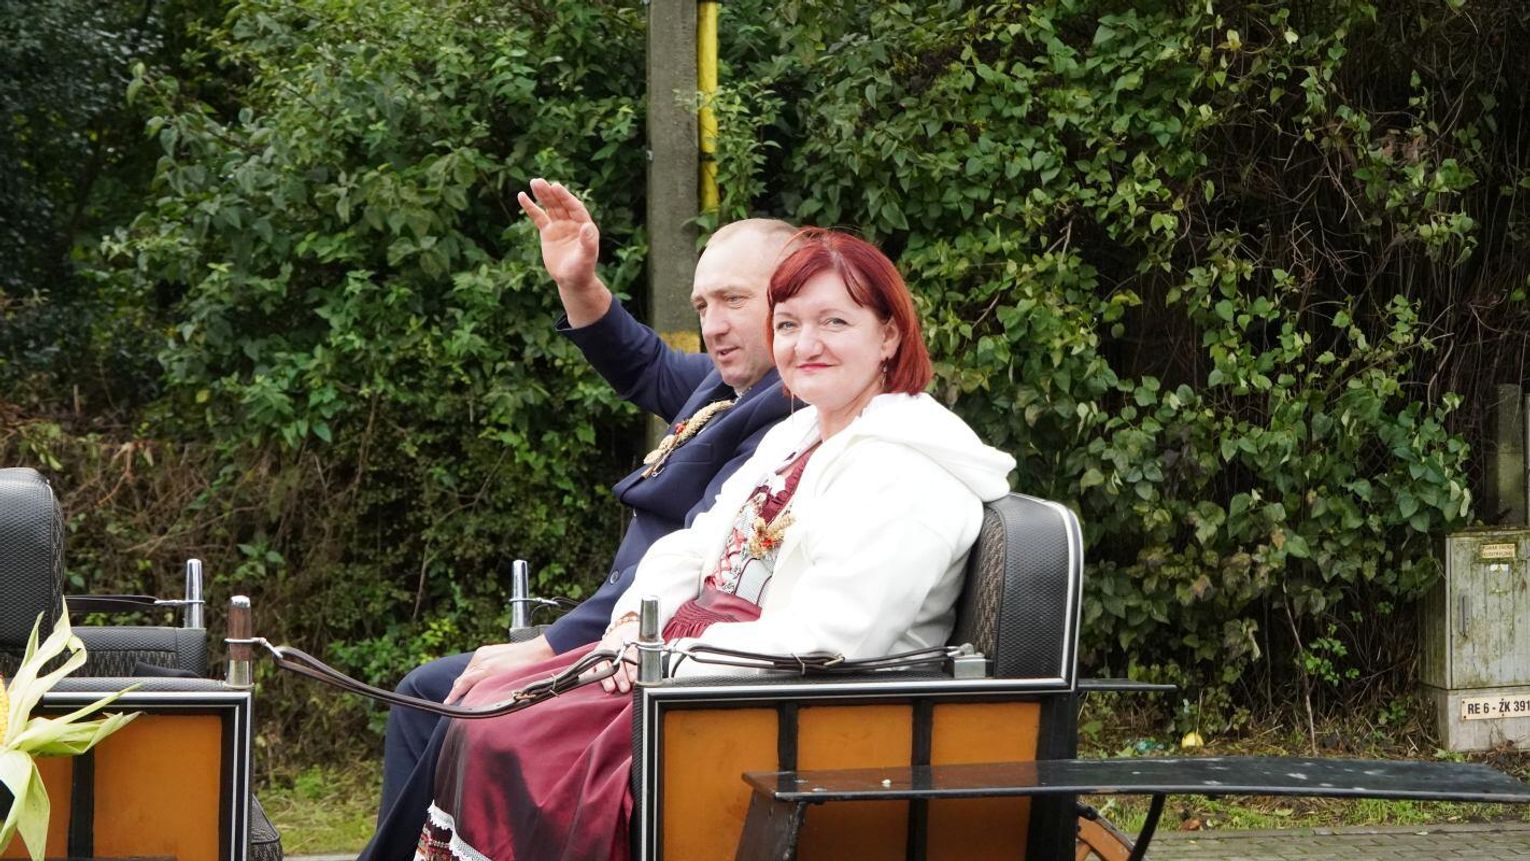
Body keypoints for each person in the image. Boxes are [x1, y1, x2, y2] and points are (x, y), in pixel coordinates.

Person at [414, 229, 1017, 861]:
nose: (805, 344)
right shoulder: (798, 435)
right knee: (487, 709)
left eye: (834, 322)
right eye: (788, 325)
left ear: (888, 335)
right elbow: (692, 546)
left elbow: (830, 640)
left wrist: (665, 660)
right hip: (700, 675)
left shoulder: (906, 471)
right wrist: (630, 628)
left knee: (515, 741)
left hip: (782, 712)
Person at [362, 180, 797, 858]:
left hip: (647, 649)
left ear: (795, 298)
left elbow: (695, 560)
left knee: (446, 698)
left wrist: (552, 644)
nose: (713, 325)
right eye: (702, 305)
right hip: (621, 631)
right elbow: (644, 364)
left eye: (734, 300)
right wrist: (579, 282)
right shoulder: (733, 385)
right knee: (432, 693)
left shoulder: (788, 414)